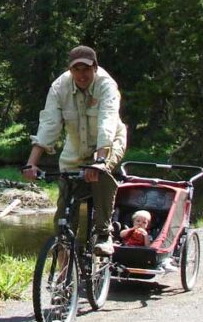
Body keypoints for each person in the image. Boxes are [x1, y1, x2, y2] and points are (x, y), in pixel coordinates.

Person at [22, 45, 127, 256]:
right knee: (64, 214)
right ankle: (63, 271)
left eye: (86, 69)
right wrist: (32, 163)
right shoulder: (59, 87)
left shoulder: (106, 85)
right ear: (70, 70)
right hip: (75, 150)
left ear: (95, 68)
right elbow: (49, 124)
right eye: (76, 69)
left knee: (101, 174)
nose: (81, 74)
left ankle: (104, 233)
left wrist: (99, 161)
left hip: (109, 142)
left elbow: (107, 122)